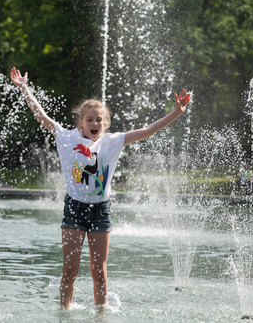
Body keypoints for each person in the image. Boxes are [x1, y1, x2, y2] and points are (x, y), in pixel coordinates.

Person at [10, 67, 191, 310]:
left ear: (104, 123)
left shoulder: (112, 141)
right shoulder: (66, 138)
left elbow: (148, 131)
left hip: (100, 211)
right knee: (70, 268)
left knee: (99, 270)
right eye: (90, 119)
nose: (95, 123)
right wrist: (24, 87)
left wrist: (176, 113)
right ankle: (64, 311)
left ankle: (101, 313)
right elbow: (40, 116)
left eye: (99, 120)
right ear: (81, 123)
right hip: (74, 208)